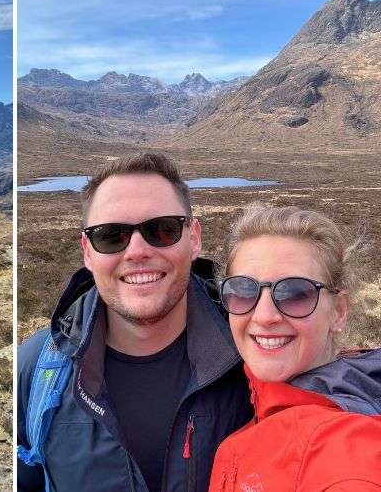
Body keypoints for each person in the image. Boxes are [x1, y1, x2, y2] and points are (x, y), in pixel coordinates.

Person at [17, 153, 253, 491]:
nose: (137, 251)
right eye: (111, 235)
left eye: (162, 229)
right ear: (87, 251)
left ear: (194, 238)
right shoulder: (39, 370)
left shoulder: (253, 356)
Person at [210, 204, 381, 491]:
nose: (265, 316)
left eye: (295, 293)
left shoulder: (350, 445)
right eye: (243, 290)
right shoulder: (261, 400)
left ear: (339, 311)